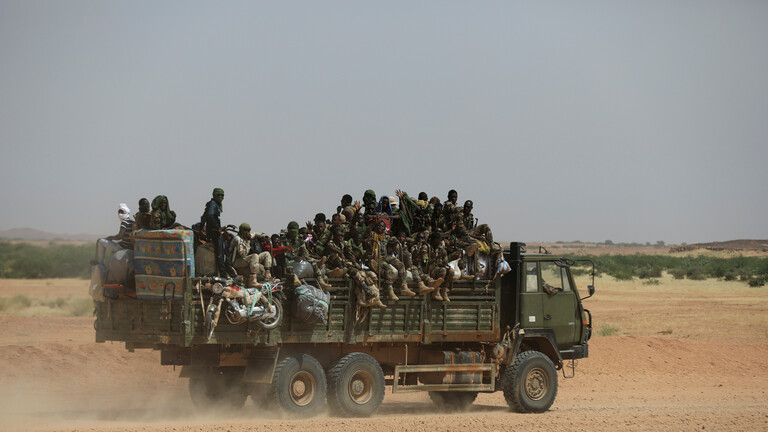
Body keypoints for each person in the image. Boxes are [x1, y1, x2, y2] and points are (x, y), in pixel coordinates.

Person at [201, 188, 237, 278]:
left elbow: (204, 217)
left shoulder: (214, 204)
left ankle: (232, 275)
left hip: (214, 232)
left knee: (224, 255)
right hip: (215, 234)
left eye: (222, 195)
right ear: (214, 195)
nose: (221, 197)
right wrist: (218, 228)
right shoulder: (213, 204)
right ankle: (224, 276)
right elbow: (209, 216)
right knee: (221, 256)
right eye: (218, 195)